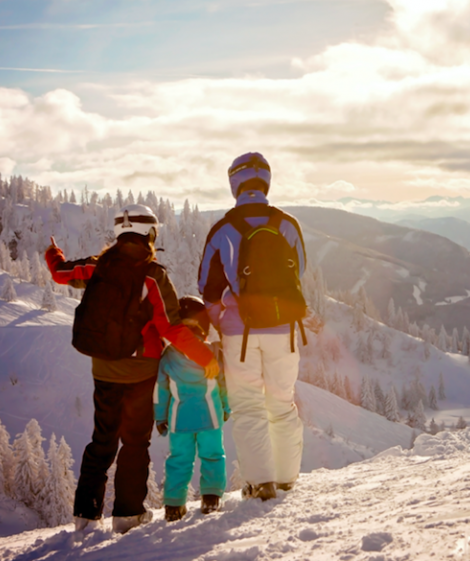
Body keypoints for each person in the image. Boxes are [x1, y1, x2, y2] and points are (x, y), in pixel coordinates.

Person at [46, 204, 216, 534]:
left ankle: (86, 515)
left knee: (102, 440)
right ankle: (127, 515)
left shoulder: (98, 267)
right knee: (135, 442)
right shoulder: (152, 275)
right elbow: (171, 327)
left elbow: (60, 273)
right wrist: (205, 357)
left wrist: (53, 253)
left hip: (104, 369)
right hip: (140, 372)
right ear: (150, 234)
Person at [198, 152, 307, 501]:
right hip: (284, 330)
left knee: (248, 407)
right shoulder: (287, 223)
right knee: (282, 403)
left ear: (234, 183)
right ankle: (287, 478)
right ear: (266, 181)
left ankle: (261, 483)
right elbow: (299, 272)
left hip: (240, 333)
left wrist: (223, 321)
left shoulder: (223, 228)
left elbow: (207, 287)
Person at [155, 296, 229, 521]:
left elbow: (161, 391)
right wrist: (226, 407)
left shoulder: (168, 356)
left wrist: (160, 417)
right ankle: (211, 497)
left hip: (179, 420)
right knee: (213, 456)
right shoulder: (213, 353)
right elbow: (224, 383)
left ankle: (174, 505)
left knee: (179, 459)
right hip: (211, 416)